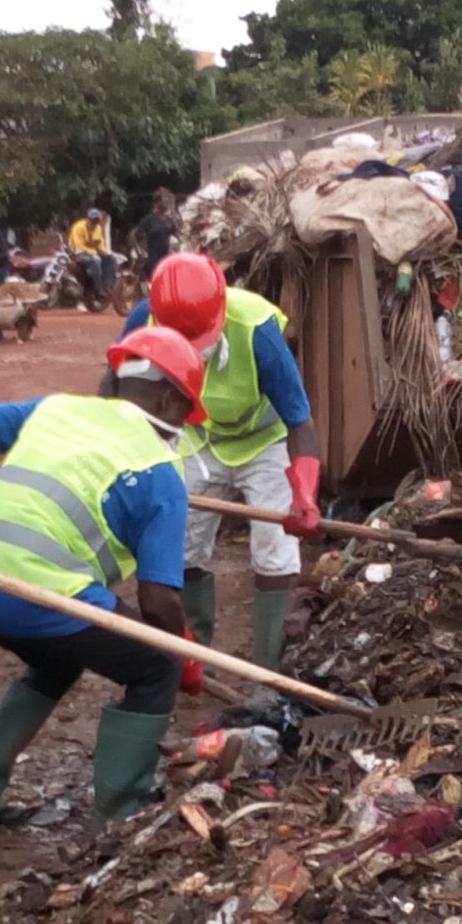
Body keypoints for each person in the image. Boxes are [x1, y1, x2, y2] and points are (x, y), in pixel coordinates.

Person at [0, 325, 204, 829]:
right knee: (153, 668)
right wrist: (184, 656)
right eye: (187, 410)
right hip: (41, 592)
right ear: (168, 400)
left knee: (55, 663)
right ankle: (118, 818)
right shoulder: (162, 470)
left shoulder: (57, 408)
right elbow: (158, 601)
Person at [123, 252, 321, 670]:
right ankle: (193, 654)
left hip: (263, 440)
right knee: (182, 545)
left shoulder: (256, 329)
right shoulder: (145, 320)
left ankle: (269, 668)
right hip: (197, 436)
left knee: (274, 548)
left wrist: (304, 495)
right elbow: (117, 396)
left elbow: (300, 422)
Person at [132, 187, 178, 291]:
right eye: (164, 201)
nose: (166, 204)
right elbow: (135, 235)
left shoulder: (169, 221)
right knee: (154, 283)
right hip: (152, 257)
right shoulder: (148, 220)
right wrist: (139, 251)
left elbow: (176, 235)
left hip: (166, 257)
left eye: (167, 201)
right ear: (157, 203)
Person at [67, 203, 115, 302]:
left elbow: (99, 243)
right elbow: (78, 245)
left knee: (111, 258)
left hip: (91, 253)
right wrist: (93, 252)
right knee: (96, 260)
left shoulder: (98, 228)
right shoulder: (78, 227)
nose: (94, 222)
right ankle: (99, 288)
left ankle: (107, 285)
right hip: (77, 253)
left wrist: (103, 251)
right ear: (88, 219)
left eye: (97, 220)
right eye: (93, 220)